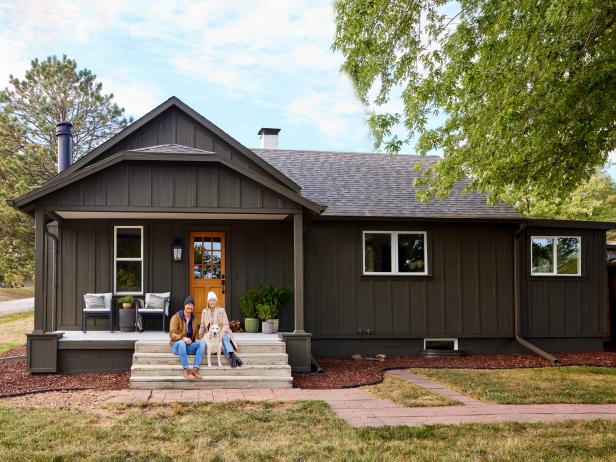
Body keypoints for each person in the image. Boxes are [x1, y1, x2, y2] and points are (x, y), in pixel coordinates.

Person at [199, 291, 243, 368]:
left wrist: (221, 334)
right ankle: (235, 358)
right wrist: (199, 337)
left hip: (222, 332)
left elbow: (226, 324)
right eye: (210, 300)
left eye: (213, 300)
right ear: (208, 302)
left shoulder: (221, 310)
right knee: (221, 346)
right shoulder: (204, 312)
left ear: (216, 301)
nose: (212, 302)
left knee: (225, 338)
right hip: (211, 334)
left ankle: (232, 357)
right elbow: (202, 326)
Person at [169, 296, 205, 380]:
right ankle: (186, 370)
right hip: (177, 345)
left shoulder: (194, 319)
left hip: (188, 346)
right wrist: (183, 338)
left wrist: (196, 339)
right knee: (182, 342)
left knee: (202, 342)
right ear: (184, 305)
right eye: (188, 304)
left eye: (192, 305)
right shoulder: (176, 317)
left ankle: (195, 370)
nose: (190, 306)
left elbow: (196, 333)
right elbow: (171, 334)